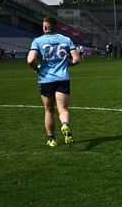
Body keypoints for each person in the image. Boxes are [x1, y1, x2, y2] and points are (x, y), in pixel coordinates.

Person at [27, 17, 81, 147]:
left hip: (46, 79)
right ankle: (65, 125)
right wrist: (65, 64)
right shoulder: (66, 39)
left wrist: (37, 69)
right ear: (56, 27)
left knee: (49, 110)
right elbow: (76, 59)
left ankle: (51, 139)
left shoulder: (38, 41)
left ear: (45, 27)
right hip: (63, 78)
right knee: (63, 109)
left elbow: (30, 60)